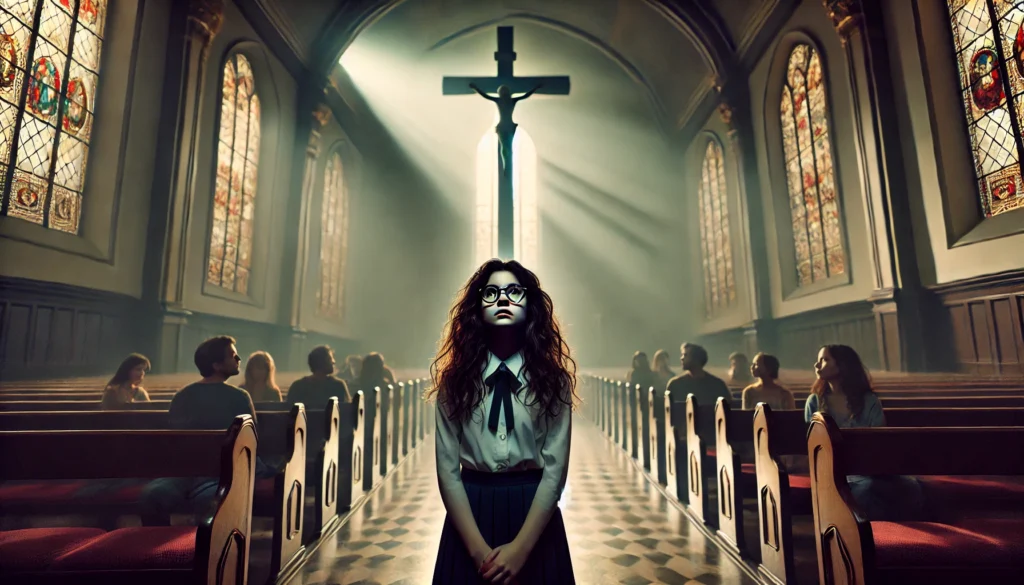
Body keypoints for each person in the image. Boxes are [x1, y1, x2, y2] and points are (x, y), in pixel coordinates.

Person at [431, 260, 576, 584]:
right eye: (491, 292)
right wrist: (478, 551)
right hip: (471, 511)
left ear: (531, 304)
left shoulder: (553, 381)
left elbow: (555, 472)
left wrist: (521, 550)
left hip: (534, 513)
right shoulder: (454, 383)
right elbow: (447, 472)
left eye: (514, 291)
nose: (503, 299)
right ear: (476, 307)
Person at [141, 336, 266, 525]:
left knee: (169, 495)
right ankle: (162, 549)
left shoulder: (184, 395)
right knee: (153, 495)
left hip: (216, 471)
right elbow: (252, 440)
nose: (239, 358)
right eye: (232, 355)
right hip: (199, 471)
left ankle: (205, 549)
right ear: (216, 365)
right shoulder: (238, 396)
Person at [804, 344, 922, 520]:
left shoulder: (869, 401)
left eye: (825, 359)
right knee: (866, 489)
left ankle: (901, 538)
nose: (817, 365)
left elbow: (877, 441)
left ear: (843, 365)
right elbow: (812, 445)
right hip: (833, 469)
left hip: (869, 467)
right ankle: (867, 540)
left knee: (911, 487)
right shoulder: (815, 402)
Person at [666, 343, 731, 407]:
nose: (681, 358)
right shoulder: (675, 384)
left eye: (685, 355)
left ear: (696, 359)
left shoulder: (717, 385)